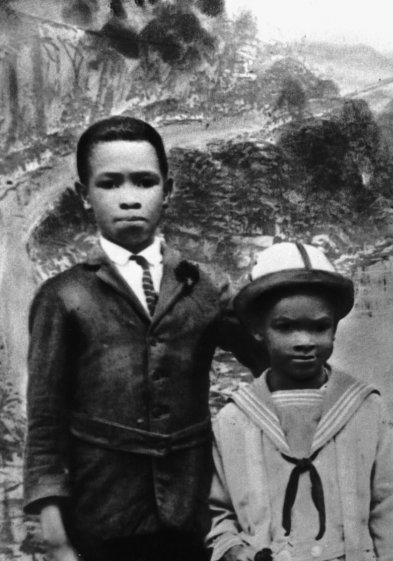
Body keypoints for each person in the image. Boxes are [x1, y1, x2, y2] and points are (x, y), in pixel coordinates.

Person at [23, 116, 259, 561]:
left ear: (167, 191)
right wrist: (55, 537)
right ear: (84, 195)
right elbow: (45, 423)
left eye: (145, 182)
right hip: (101, 518)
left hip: (193, 514)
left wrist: (363, 415)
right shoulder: (64, 295)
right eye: (110, 184)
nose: (129, 198)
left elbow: (273, 359)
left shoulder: (204, 285)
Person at [206, 243, 393, 561]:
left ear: (335, 327)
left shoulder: (367, 409)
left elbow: (390, 509)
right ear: (258, 329)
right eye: (285, 327)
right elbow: (218, 513)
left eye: (319, 327)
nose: (304, 341)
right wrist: (231, 548)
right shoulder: (233, 420)